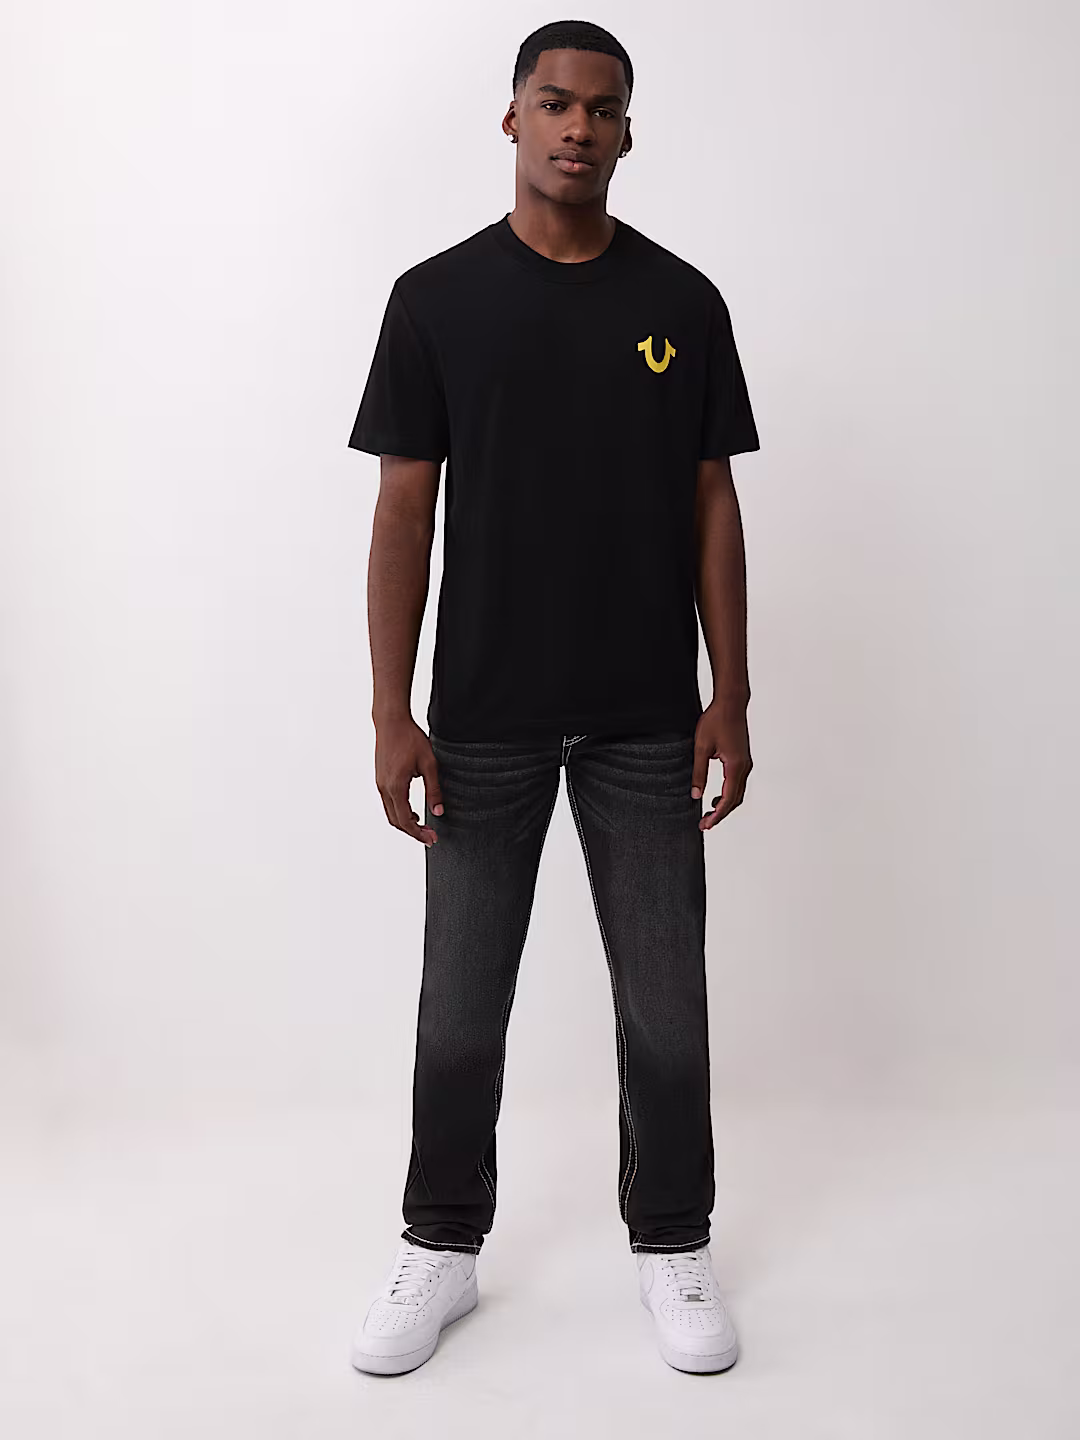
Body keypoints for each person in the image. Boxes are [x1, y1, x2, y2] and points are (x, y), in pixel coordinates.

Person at [345, 18, 760, 1376]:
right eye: (555, 102)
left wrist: (730, 692)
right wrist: (391, 710)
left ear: (628, 129)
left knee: (667, 1005)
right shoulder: (436, 299)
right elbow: (403, 511)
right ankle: (440, 1246)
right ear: (513, 118)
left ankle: (674, 1242)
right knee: (460, 1005)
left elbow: (712, 500)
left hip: (646, 714)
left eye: (603, 107)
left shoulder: (682, 302)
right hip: (483, 718)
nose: (579, 126)